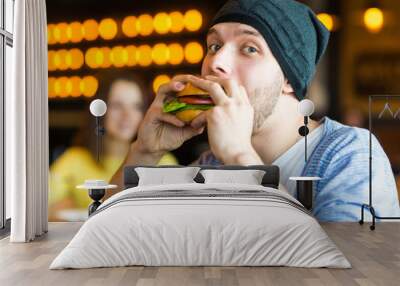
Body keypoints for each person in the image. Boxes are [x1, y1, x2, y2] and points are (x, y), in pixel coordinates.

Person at [108, 0, 400, 221]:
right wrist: (144, 151)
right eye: (213, 45)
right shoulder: (210, 165)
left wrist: (239, 156)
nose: (216, 61)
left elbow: (350, 270)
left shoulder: (352, 154)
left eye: (249, 48)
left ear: (288, 78)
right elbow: (109, 235)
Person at [49, 72, 178, 221]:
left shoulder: (162, 160)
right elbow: (45, 212)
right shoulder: (73, 160)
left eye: (136, 106)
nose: (127, 115)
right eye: (117, 106)